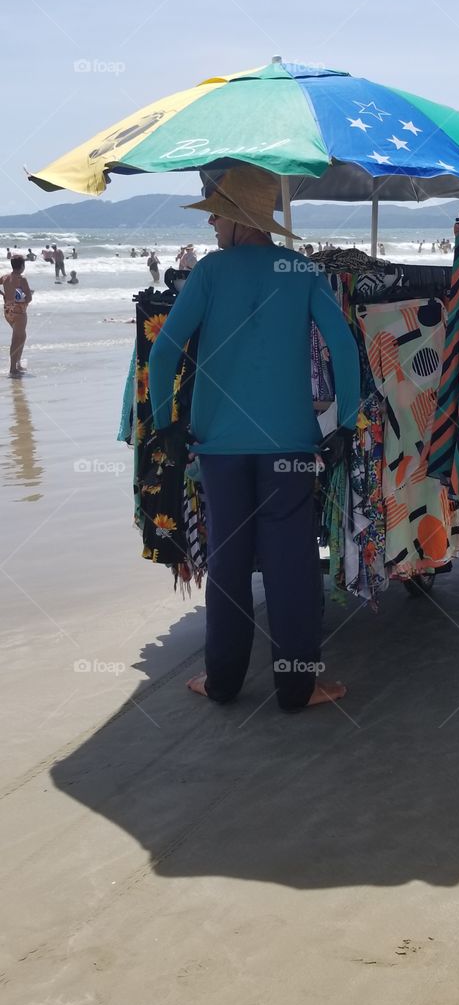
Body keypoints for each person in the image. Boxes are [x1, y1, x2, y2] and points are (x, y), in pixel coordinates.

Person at [149, 166, 361, 714]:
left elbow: (164, 351)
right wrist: (346, 420)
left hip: (218, 448)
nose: (214, 223)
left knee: (227, 561)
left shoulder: (210, 273)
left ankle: (222, 682)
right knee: (291, 564)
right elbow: (343, 348)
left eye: (217, 213)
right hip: (290, 446)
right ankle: (297, 687)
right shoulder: (302, 269)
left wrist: (166, 423)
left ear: (240, 219)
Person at [1, 255, 33, 376]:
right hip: (19, 312)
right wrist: (22, 298)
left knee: (22, 336)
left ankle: (18, 363)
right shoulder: (22, 279)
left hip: (8, 311)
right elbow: (29, 298)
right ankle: (12, 368)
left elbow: (15, 292)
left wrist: (4, 294)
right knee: (16, 339)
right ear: (22, 266)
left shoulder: (5, 277)